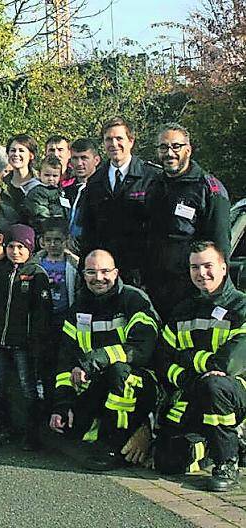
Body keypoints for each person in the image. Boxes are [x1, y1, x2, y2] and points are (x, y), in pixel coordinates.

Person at [50, 249, 160, 471]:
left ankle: (114, 445)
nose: (98, 278)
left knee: (119, 371)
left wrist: (91, 363)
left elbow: (140, 350)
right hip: (97, 382)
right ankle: (99, 428)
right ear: (83, 275)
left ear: (116, 272)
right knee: (66, 429)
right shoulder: (79, 308)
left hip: (139, 382)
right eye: (91, 272)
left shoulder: (134, 300)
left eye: (104, 271)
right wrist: (62, 404)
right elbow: (65, 360)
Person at [155, 241, 246, 491]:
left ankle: (226, 461)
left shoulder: (241, 307)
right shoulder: (184, 310)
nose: (201, 273)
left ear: (224, 268)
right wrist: (189, 377)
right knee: (167, 461)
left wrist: (187, 359)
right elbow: (163, 359)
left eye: (208, 266)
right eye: (195, 267)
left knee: (215, 385)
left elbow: (228, 363)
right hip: (193, 390)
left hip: (234, 393)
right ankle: (215, 443)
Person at [144, 123, 231, 316]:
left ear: (188, 150)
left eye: (176, 146)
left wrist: (216, 293)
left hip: (193, 292)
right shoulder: (154, 185)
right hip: (156, 290)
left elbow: (220, 247)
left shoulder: (208, 189)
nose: (169, 153)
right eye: (163, 147)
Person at [0, 224, 51, 451]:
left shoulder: (37, 275)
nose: (15, 251)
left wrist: (37, 343)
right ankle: (3, 428)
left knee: (28, 388)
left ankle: (33, 434)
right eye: (11, 246)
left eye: (21, 247)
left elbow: (42, 314)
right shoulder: (1, 273)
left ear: (30, 248)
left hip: (24, 343)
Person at [79, 116, 158, 286]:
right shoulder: (95, 181)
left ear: (131, 141)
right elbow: (88, 230)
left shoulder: (151, 177)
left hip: (141, 270)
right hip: (104, 272)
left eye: (119, 138)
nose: (114, 144)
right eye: (109, 139)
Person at [34, 219, 79, 406]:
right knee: (44, 362)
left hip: (65, 317)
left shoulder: (74, 264)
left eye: (58, 240)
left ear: (66, 240)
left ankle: (64, 402)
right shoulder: (35, 263)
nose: (53, 244)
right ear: (42, 241)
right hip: (43, 318)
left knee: (64, 360)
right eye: (49, 240)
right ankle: (47, 402)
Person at [65, 138, 101, 244]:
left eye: (84, 158)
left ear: (96, 160)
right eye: (75, 158)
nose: (79, 163)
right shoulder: (66, 191)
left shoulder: (103, 191)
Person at [22, 155, 69, 229]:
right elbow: (40, 214)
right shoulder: (37, 191)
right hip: (44, 230)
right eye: (47, 175)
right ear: (39, 174)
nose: (51, 179)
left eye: (55, 176)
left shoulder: (59, 191)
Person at [2, 134, 42, 218]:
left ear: (31, 155)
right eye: (13, 150)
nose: (16, 154)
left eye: (21, 150)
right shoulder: (1, 184)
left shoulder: (41, 183)